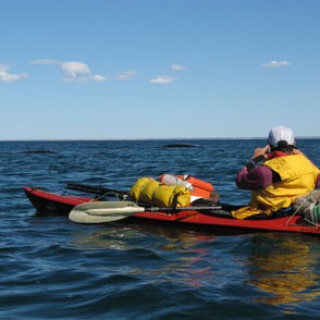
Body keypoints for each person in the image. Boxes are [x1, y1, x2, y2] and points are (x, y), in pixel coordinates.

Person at [232, 125, 320, 219]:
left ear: (269, 146)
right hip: (299, 210)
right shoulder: (308, 166)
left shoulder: (264, 171)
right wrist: (299, 153)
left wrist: (254, 159)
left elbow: (240, 180)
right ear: (294, 144)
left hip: (274, 215)